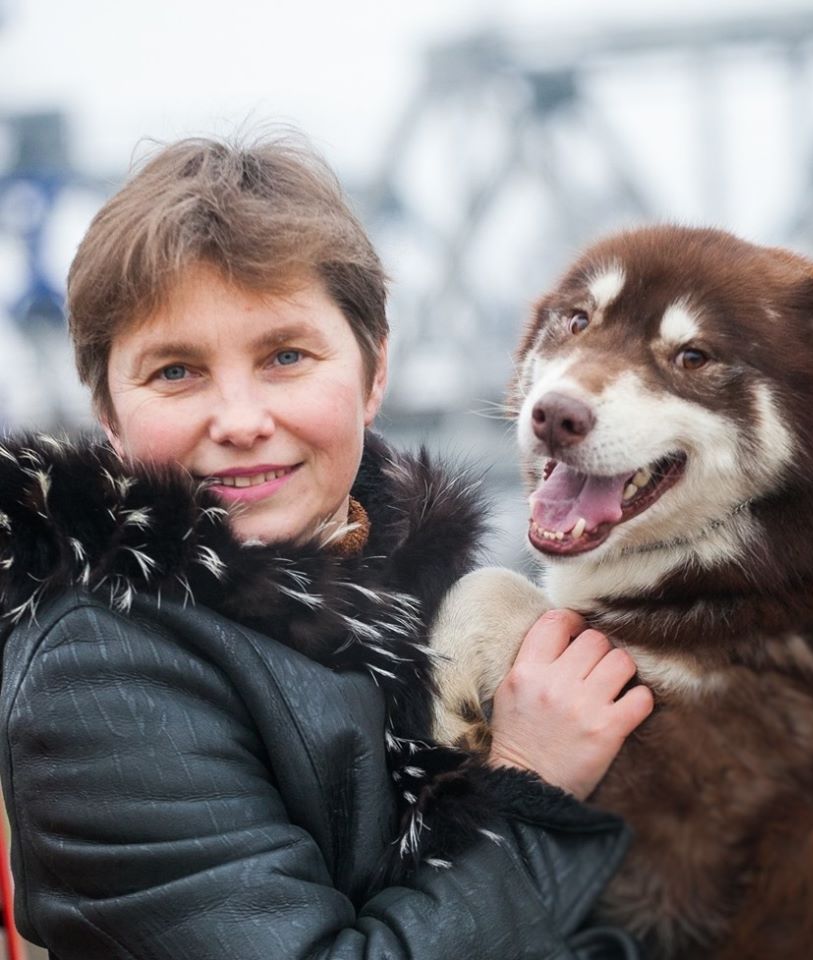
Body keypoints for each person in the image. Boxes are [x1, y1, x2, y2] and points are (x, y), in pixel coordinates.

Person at [0, 133, 654, 960]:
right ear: (107, 414)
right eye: (175, 372)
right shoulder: (97, 674)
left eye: (285, 356)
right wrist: (531, 790)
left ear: (375, 372)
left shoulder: (430, 584)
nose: (238, 420)